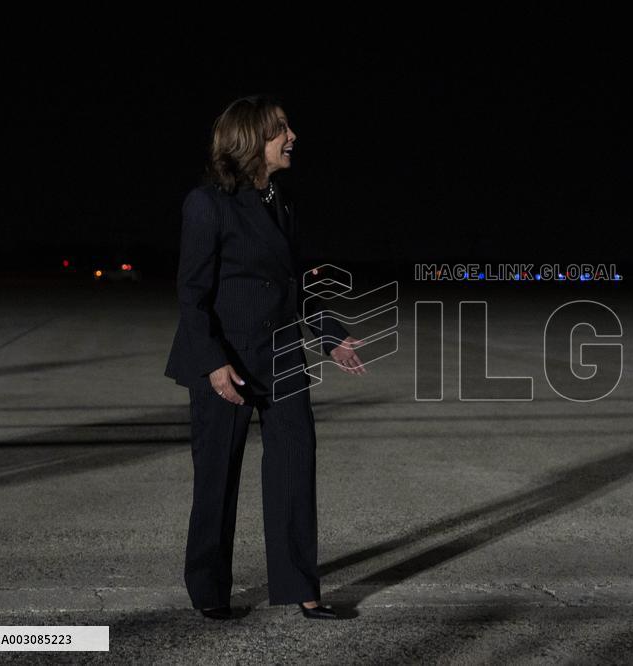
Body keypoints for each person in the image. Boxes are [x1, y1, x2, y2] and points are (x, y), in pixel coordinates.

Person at [164, 94, 366, 621]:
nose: (292, 136)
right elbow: (191, 293)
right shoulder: (206, 204)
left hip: (282, 358)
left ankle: (302, 588)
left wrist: (331, 337)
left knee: (295, 467)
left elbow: (293, 285)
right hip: (226, 360)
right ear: (252, 139)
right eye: (281, 129)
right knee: (216, 477)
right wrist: (212, 363)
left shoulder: (280, 201)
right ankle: (209, 590)